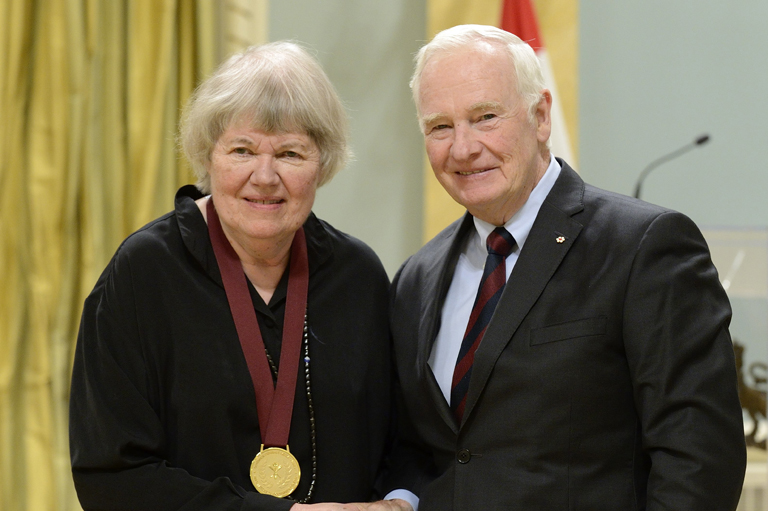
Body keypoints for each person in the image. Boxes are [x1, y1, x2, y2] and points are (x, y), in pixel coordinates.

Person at [387, 24, 746, 510]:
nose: (463, 148)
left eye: (485, 117)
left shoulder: (644, 246)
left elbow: (699, 458)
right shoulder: (418, 276)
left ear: (540, 117)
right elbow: (424, 450)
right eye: (440, 126)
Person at [69, 41, 411, 511]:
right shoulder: (142, 275)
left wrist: (397, 503)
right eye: (242, 150)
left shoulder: (359, 276)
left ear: (323, 164)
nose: (265, 176)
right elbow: (112, 476)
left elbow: (404, 439)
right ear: (209, 155)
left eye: (290, 153)